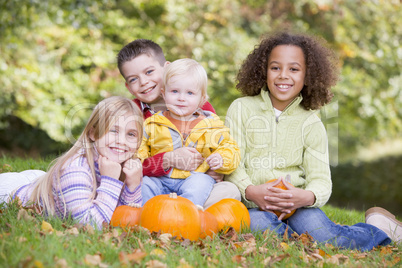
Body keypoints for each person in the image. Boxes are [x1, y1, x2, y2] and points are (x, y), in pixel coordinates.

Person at [224, 31, 400, 250]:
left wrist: (305, 196)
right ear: (263, 71)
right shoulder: (241, 109)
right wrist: (250, 191)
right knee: (259, 226)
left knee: (324, 235)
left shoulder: (312, 123)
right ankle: (299, 244)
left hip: (297, 206)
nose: (283, 75)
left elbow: (321, 181)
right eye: (275, 67)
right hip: (252, 205)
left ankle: (381, 231)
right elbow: (230, 161)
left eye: (294, 69)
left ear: (307, 75)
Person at [116, 39, 241, 208]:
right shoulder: (130, 115)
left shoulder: (203, 111)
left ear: (167, 68)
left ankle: (185, 213)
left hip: (194, 180)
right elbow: (129, 164)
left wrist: (217, 168)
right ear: (128, 87)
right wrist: (168, 159)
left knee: (229, 190)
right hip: (155, 181)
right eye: (133, 79)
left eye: (149, 72)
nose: (144, 82)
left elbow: (219, 145)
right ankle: (153, 212)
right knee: (139, 186)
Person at [0, 96, 143, 229]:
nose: (122, 141)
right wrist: (110, 181)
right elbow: (91, 225)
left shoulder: (120, 165)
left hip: (41, 182)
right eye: (113, 130)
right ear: (92, 133)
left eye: (131, 134)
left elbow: (123, 220)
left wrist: (133, 185)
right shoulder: (76, 170)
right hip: (8, 193)